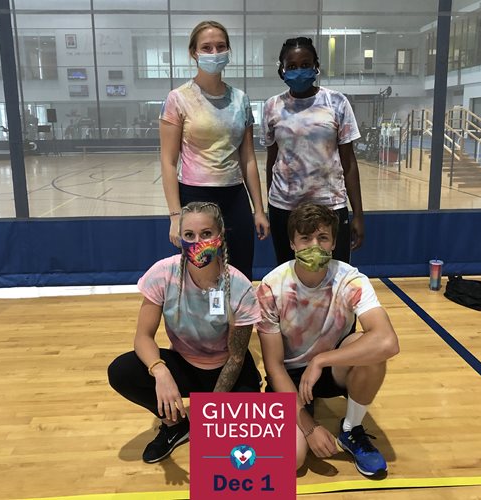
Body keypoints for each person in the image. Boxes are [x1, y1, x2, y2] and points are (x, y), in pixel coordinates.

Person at [108, 201, 262, 464]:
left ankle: (215, 416)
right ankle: (175, 425)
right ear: (180, 237)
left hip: (228, 369)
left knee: (241, 452)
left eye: (206, 234)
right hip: (184, 365)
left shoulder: (239, 286)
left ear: (220, 236)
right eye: (189, 235)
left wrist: (212, 412)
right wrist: (160, 370)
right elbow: (143, 337)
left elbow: (236, 358)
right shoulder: (163, 273)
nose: (197, 242)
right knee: (121, 371)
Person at [256, 203, 399, 477]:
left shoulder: (350, 279)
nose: (315, 246)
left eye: (322, 238)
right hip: (290, 376)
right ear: (292, 244)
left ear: (333, 242)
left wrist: (321, 360)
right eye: (305, 238)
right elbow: (273, 367)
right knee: (293, 460)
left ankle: (351, 429)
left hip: (333, 367)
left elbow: (387, 342)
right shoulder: (271, 287)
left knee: (371, 348)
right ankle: (303, 417)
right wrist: (309, 428)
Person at [160, 20, 269, 281]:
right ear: (193, 53)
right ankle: (204, 321)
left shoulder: (240, 99)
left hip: (235, 197)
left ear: (228, 51)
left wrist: (259, 209)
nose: (214, 52)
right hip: (195, 197)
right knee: (202, 272)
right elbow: (167, 160)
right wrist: (176, 215)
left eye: (220, 47)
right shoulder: (178, 99)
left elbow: (248, 158)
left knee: (240, 273)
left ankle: (238, 323)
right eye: (206, 47)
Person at [261, 37, 364, 266]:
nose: (299, 71)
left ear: (316, 66)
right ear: (282, 70)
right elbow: (272, 160)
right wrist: (270, 204)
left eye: (306, 65)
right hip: (284, 208)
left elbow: (349, 163)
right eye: (292, 66)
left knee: (334, 275)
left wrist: (358, 213)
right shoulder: (272, 106)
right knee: (290, 275)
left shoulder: (336, 102)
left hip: (330, 205)